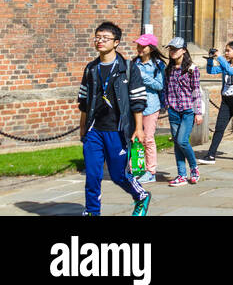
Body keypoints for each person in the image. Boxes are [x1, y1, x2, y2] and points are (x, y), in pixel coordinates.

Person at [77, 21, 151, 216]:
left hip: (117, 130)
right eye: (97, 37)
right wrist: (82, 126)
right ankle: (92, 211)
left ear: (116, 42)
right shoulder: (91, 68)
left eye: (105, 38)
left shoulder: (127, 68)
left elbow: (137, 100)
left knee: (119, 175)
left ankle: (141, 196)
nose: (100, 41)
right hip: (94, 130)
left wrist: (138, 129)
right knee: (92, 175)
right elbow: (83, 100)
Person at [198, 40, 233, 164]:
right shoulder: (225, 64)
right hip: (226, 100)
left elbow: (231, 71)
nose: (226, 53)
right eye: (225, 51)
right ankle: (211, 155)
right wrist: (210, 59)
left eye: (228, 51)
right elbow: (211, 71)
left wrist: (219, 57)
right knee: (219, 128)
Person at [163, 38, 203, 186]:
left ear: (184, 50)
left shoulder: (192, 69)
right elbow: (166, 88)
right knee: (177, 143)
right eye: (170, 49)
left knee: (182, 141)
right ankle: (181, 174)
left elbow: (196, 91)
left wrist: (198, 112)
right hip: (173, 110)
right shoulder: (169, 69)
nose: (172, 52)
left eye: (175, 49)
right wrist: (167, 104)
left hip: (187, 110)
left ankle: (194, 168)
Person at [132, 34, 165, 183]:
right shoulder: (133, 64)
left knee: (149, 139)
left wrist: (143, 76)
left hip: (151, 105)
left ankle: (151, 171)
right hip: (135, 106)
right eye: (138, 45)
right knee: (135, 139)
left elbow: (160, 85)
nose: (139, 48)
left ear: (150, 48)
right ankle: (137, 168)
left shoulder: (158, 66)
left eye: (142, 46)